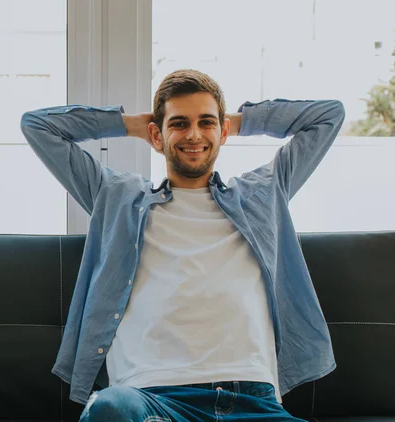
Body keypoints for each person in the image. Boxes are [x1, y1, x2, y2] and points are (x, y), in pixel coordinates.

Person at [20, 69, 345, 421]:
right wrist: (132, 125)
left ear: (222, 132)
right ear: (157, 136)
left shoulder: (263, 194)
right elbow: (38, 126)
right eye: (178, 124)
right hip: (151, 399)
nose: (193, 134)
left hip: (252, 399)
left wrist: (234, 121)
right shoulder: (116, 197)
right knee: (108, 409)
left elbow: (328, 115)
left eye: (206, 123)